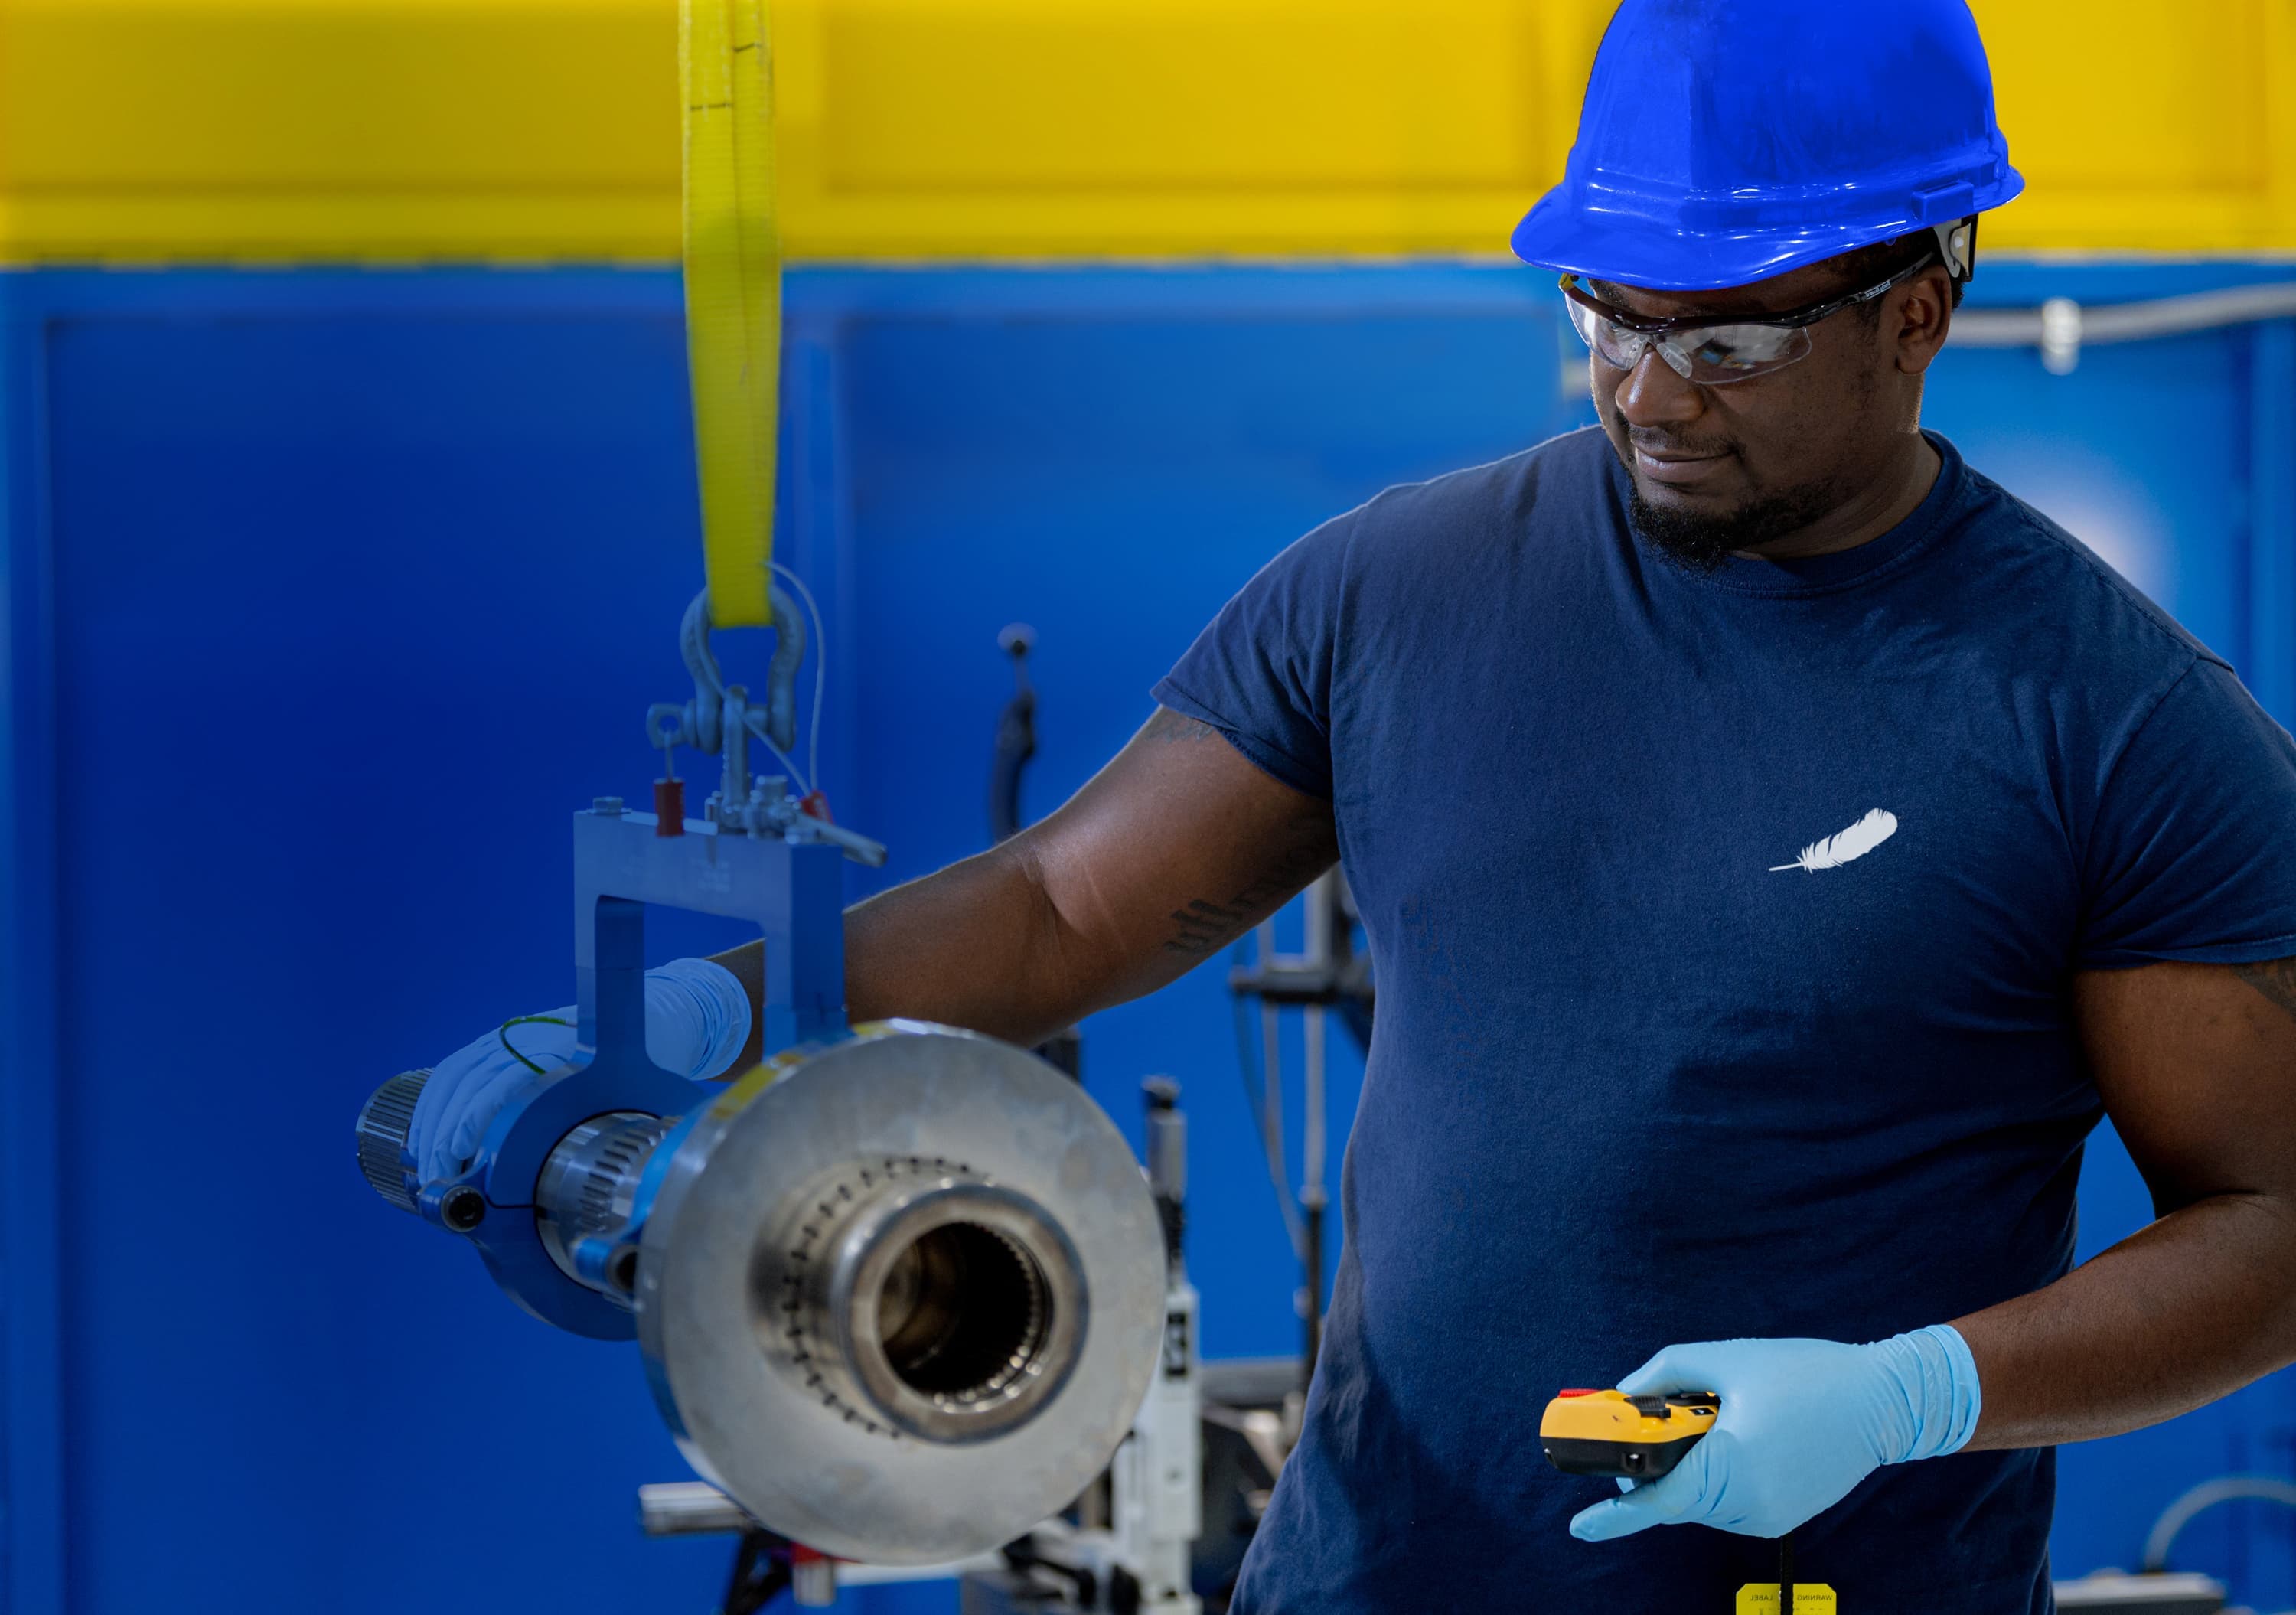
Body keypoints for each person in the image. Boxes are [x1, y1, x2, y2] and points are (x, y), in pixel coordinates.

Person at [412, 2, 2296, 1607]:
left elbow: (2272, 1214)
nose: (1650, 392)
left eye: (1726, 341)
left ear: (1923, 295)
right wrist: (713, 1008)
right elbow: (1070, 906)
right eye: (1605, 313)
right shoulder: (1401, 590)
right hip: (1371, 1569)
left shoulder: (2109, 718)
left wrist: (1907, 1395)